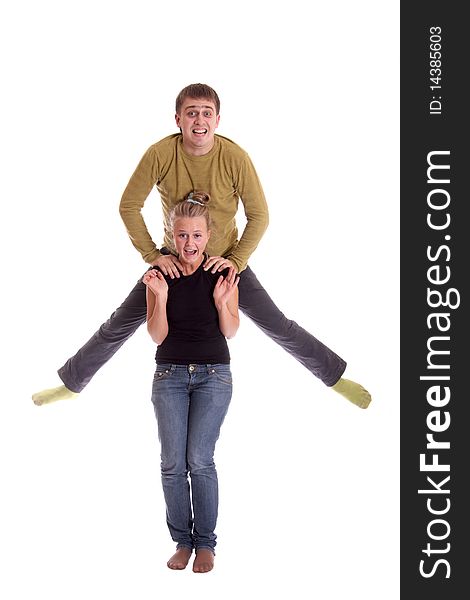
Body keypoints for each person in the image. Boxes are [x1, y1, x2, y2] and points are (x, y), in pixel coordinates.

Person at [32, 83, 371, 409]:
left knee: (278, 325)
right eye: (191, 113)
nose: (199, 120)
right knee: (118, 324)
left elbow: (260, 215)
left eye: (207, 113)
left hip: (224, 262)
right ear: (177, 118)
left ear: (217, 120)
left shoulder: (234, 157)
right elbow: (128, 206)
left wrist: (235, 262)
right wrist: (153, 256)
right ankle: (71, 384)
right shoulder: (161, 153)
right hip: (175, 261)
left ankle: (335, 378)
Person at [144, 191, 239, 572]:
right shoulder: (158, 276)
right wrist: (161, 297)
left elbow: (231, 330)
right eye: (182, 235)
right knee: (171, 463)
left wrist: (221, 303)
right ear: (172, 234)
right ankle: (182, 541)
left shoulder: (223, 273)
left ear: (208, 235)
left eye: (197, 236)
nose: (190, 244)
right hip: (169, 375)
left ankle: (206, 545)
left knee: (199, 460)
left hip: (214, 376)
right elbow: (157, 336)